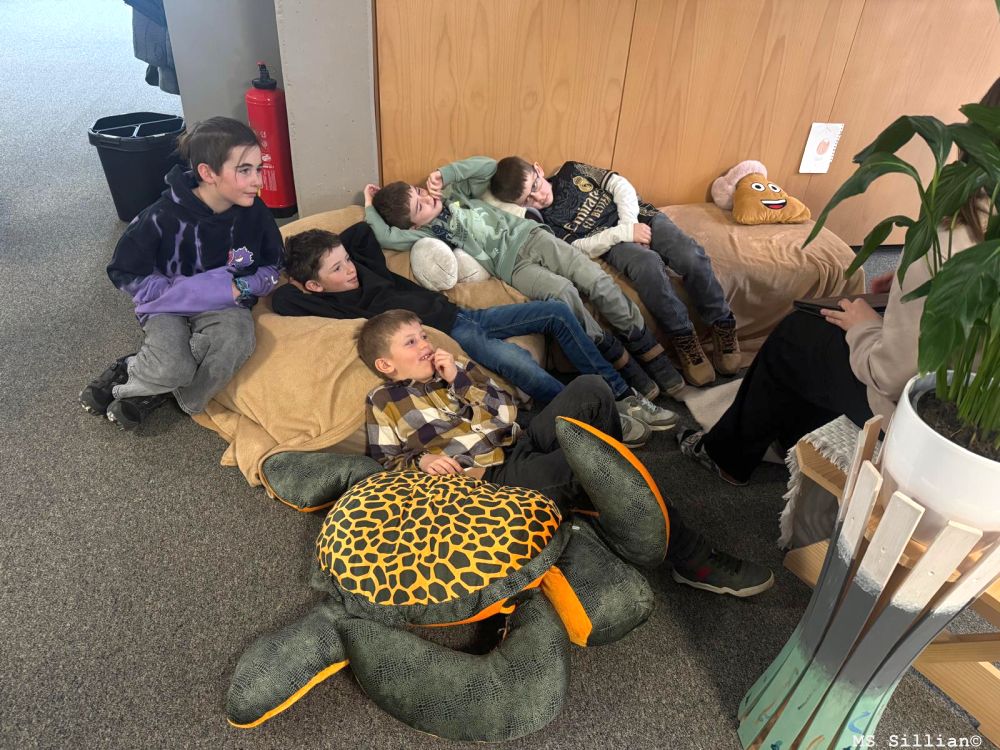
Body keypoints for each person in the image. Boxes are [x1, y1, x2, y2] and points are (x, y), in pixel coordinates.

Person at [674, 106, 994, 485]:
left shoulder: (949, 240)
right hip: (971, 420)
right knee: (819, 336)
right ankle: (789, 434)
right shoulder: (965, 243)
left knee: (798, 334)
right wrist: (909, 283)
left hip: (931, 426)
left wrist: (865, 327)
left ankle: (724, 456)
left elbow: (891, 378)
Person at [360, 309, 774, 598]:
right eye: (411, 342)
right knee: (595, 467)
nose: (426, 345)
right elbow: (383, 467)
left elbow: (508, 410)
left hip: (521, 440)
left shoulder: (456, 369)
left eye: (424, 336)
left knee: (592, 388)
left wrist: (459, 379)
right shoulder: (383, 401)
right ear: (386, 364)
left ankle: (609, 503)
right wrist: (421, 461)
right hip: (491, 481)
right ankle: (691, 557)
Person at [272, 224, 675, 439]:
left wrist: (331, 250)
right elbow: (283, 301)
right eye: (337, 268)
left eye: (346, 260)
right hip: (450, 335)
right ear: (313, 286)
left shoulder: (364, 266)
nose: (350, 269)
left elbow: (359, 231)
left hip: (462, 313)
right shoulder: (333, 303)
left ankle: (622, 396)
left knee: (555, 311)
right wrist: (290, 274)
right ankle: (595, 418)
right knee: (521, 365)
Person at [363, 156, 686, 398]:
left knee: (595, 280)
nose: (427, 199)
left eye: (420, 192)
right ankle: (616, 354)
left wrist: (444, 174)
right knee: (562, 293)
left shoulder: (455, 192)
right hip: (512, 267)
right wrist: (369, 205)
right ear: (415, 224)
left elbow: (489, 168)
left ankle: (647, 348)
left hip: (532, 237)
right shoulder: (427, 232)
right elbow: (384, 235)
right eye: (420, 206)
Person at [79, 117, 283, 430]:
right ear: (208, 173)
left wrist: (241, 286)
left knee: (237, 342)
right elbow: (123, 270)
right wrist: (180, 292)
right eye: (245, 170)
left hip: (225, 303)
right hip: (168, 305)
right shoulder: (161, 216)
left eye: (259, 168)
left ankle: (175, 395)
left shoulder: (255, 214)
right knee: (173, 365)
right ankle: (131, 370)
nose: (258, 180)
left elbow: (273, 265)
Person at [490, 157, 740, 388]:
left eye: (535, 186)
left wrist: (630, 225)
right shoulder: (543, 222)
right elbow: (580, 247)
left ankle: (722, 322)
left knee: (690, 256)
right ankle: (684, 336)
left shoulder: (571, 170)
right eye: (527, 200)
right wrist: (624, 235)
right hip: (614, 243)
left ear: (538, 169)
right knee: (647, 266)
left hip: (640, 217)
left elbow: (620, 185)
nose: (538, 198)